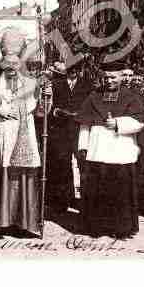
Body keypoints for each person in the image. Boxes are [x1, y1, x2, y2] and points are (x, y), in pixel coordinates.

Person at [0, 30, 45, 241]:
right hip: (0, 135)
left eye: (15, 63)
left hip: (23, 136)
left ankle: (22, 223)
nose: (11, 67)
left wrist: (46, 98)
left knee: (20, 176)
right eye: (7, 62)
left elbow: (41, 112)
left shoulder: (30, 84)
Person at [75, 61, 144, 238]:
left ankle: (120, 229)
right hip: (98, 149)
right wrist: (83, 146)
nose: (109, 80)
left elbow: (140, 122)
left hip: (120, 151)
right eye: (106, 77)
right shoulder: (93, 97)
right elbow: (85, 124)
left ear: (122, 77)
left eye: (113, 77)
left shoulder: (131, 97)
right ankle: (97, 228)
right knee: (97, 190)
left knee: (120, 193)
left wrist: (117, 123)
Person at [47, 61, 91, 212]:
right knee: (62, 165)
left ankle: (85, 202)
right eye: (71, 68)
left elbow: (91, 105)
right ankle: (63, 200)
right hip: (61, 130)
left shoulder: (87, 85)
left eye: (77, 68)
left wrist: (81, 115)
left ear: (80, 69)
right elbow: (49, 106)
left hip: (80, 130)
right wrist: (59, 112)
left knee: (83, 165)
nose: (74, 71)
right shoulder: (56, 84)